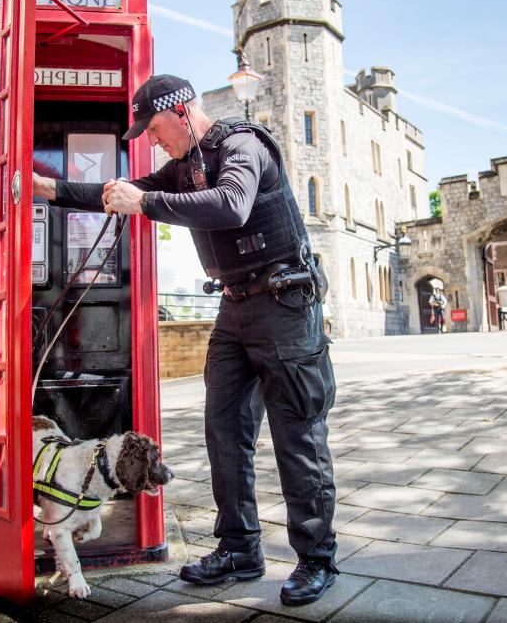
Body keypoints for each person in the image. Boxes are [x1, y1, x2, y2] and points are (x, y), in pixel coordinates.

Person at [33, 74, 338, 606]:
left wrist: (144, 205)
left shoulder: (244, 146)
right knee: (224, 432)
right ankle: (240, 548)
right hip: (235, 308)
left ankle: (317, 558)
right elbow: (121, 194)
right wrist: (51, 189)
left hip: (286, 306)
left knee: (298, 437)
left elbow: (233, 204)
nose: (152, 141)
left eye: (153, 130)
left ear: (181, 113)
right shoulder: (184, 167)